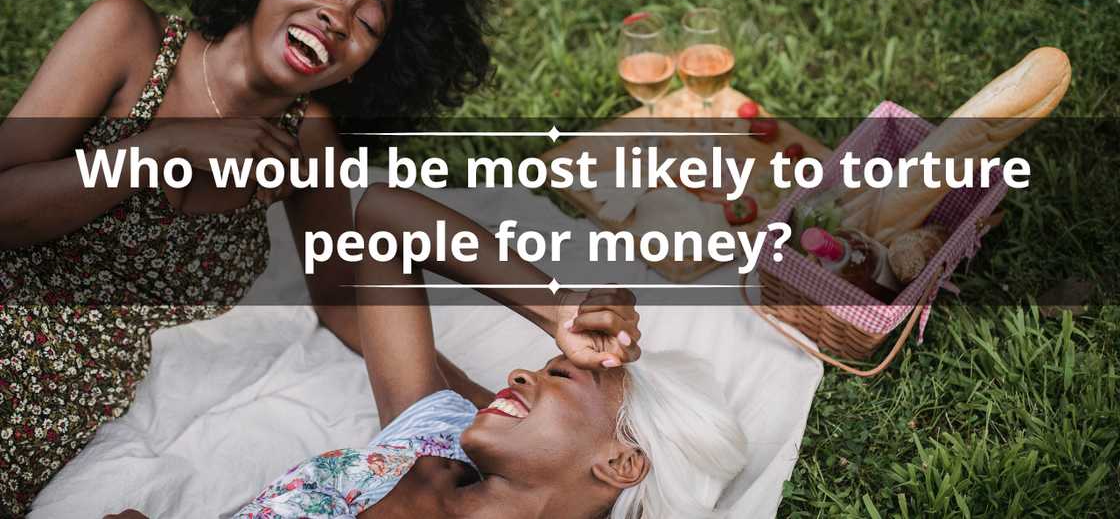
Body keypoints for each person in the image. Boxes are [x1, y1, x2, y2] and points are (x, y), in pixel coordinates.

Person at [0, 0, 497, 513]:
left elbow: (342, 301)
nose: (337, 17)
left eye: (369, 25)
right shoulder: (128, 38)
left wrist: (477, 400)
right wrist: (161, 147)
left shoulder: (305, 136)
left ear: (362, 70)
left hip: (75, 392)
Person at [110, 186, 750, 518]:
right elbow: (383, 221)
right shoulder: (439, 440)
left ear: (619, 462)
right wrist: (555, 307)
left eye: (560, 375)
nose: (522, 371)